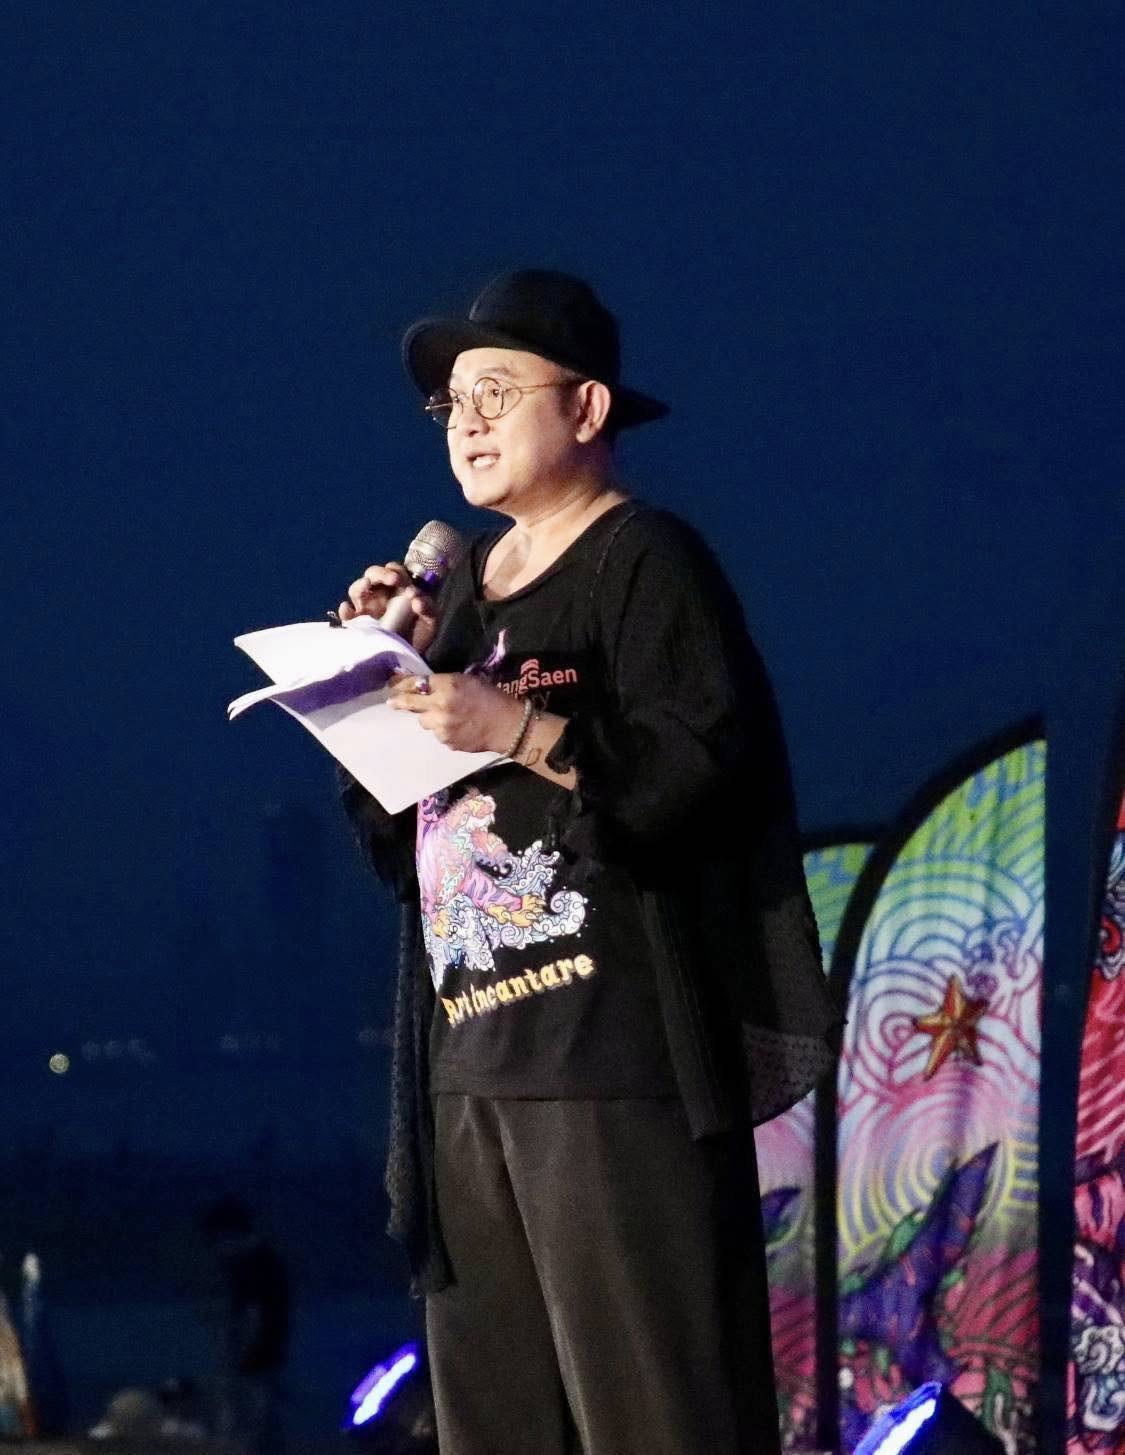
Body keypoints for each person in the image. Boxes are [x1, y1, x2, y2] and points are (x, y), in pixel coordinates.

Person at [337, 269, 840, 1455]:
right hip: (468, 1077)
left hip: (611, 1067)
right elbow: (395, 839)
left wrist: (519, 728)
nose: (465, 422)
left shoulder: (644, 561)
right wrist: (373, 677)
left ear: (588, 407)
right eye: (450, 403)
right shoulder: (455, 599)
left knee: (658, 1417)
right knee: (493, 1428)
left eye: (495, 391)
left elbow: (701, 772)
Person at [200, 1198, 289, 1453]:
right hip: (263, 1361)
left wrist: (235, 1363)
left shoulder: (252, 1267)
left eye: (217, 1242)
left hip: (254, 1365)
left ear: (228, 1235)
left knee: (249, 1432)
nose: (217, 1251)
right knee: (261, 1429)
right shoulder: (263, 1262)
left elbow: (252, 1318)